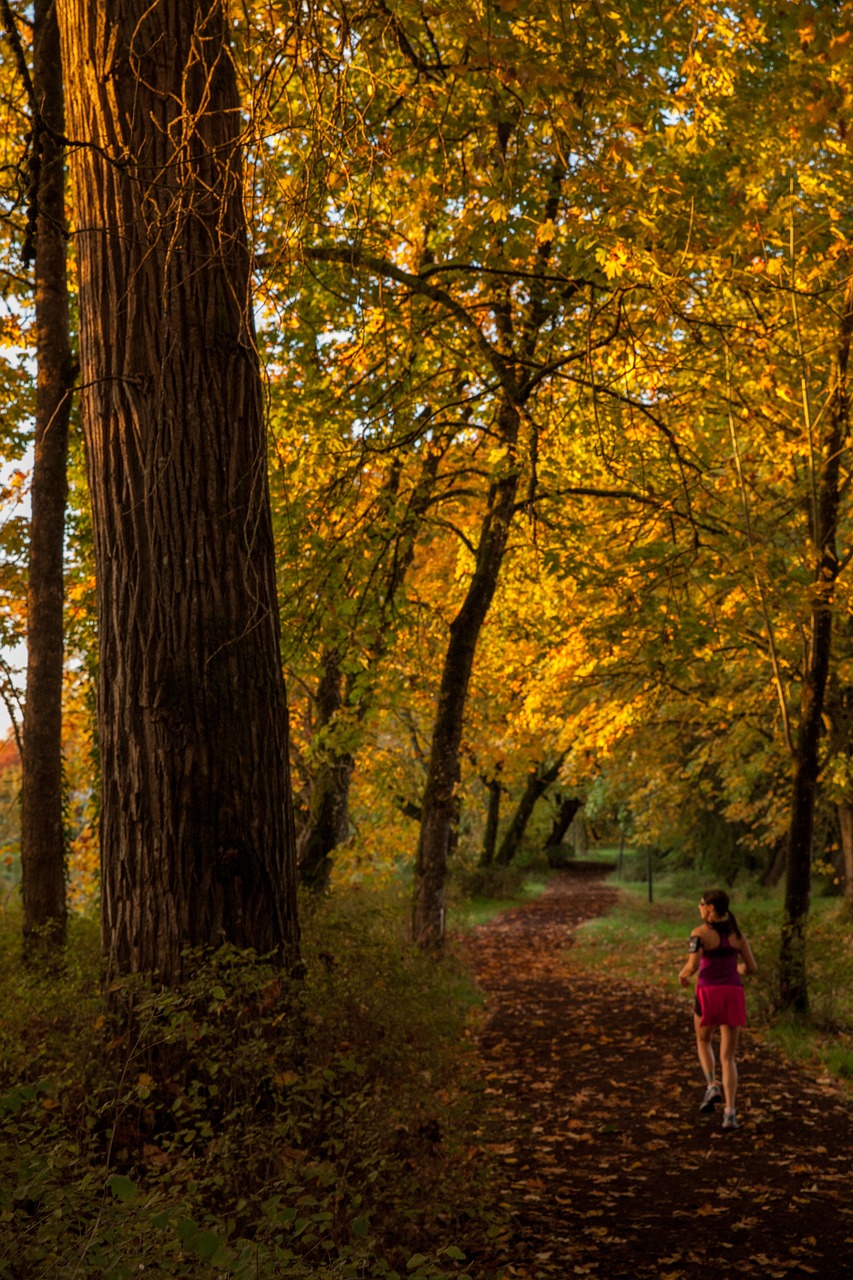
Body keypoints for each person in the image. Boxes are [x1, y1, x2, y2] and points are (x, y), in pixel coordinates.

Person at [678, 888, 757, 1130]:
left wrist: (683, 974)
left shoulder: (699, 933)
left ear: (710, 908)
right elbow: (751, 968)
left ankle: (712, 1085)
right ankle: (731, 1113)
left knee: (703, 1041)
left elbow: (692, 966)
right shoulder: (738, 935)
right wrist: (735, 971)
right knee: (728, 1056)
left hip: (708, 994)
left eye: (701, 904)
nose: (699, 908)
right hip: (733, 994)